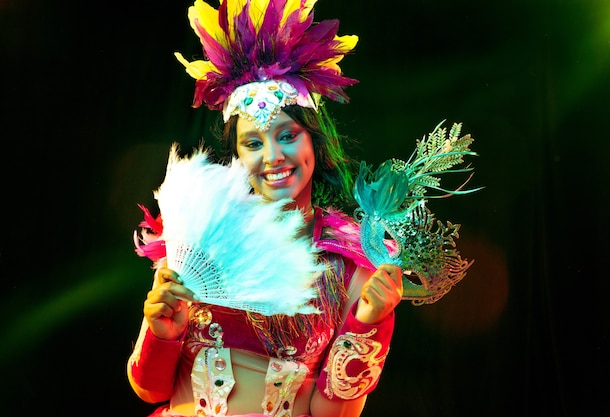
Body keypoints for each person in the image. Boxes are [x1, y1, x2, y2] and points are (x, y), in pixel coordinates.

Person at [127, 1, 470, 416]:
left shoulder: (349, 264)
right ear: (237, 153)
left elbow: (332, 413)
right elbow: (150, 390)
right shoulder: (195, 234)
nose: (273, 156)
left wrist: (369, 323)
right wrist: (162, 333)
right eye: (253, 143)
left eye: (287, 136)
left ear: (314, 142)